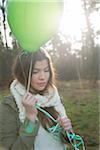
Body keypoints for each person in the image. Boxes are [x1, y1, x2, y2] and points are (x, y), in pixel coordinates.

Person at [0, 48, 72, 150]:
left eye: (46, 70)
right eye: (35, 72)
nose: (42, 77)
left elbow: (68, 141)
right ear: (22, 74)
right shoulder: (9, 105)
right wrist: (30, 117)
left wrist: (66, 130)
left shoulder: (53, 98)